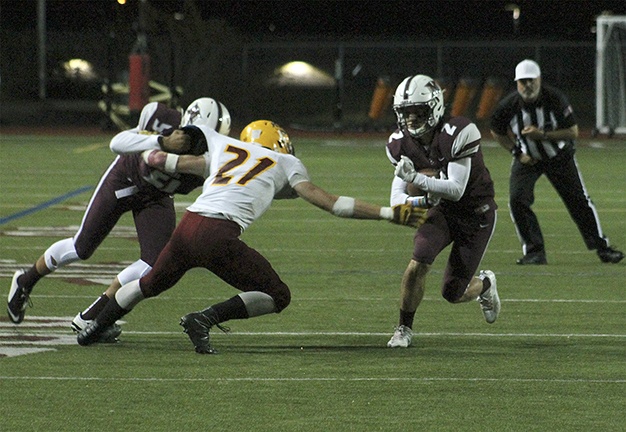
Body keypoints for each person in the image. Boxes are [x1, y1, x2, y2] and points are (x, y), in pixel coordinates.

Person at [76, 120, 427, 353]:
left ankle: (93, 329)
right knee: (278, 295)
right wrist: (387, 213)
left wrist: (159, 146)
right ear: (280, 142)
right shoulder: (286, 163)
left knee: (149, 283)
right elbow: (331, 203)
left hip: (188, 225)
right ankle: (205, 318)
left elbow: (149, 155)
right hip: (218, 235)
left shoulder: (220, 145)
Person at [7, 98, 232, 342]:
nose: (207, 143)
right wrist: (161, 141)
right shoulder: (163, 119)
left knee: (154, 262)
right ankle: (25, 280)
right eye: (204, 136)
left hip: (156, 197)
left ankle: (92, 316)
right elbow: (118, 143)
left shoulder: (217, 154)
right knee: (81, 248)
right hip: (123, 180)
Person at [386, 74, 500, 349]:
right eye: (405, 112)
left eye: (418, 111)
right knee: (419, 260)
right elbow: (397, 198)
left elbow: (456, 189)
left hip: (476, 214)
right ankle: (403, 328)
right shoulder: (400, 143)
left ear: (435, 107)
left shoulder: (459, 132)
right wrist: (421, 202)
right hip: (444, 212)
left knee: (453, 292)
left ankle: (485, 284)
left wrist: (419, 179)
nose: (411, 119)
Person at [490, 59, 623, 265]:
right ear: (516, 83)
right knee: (517, 200)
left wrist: (542, 135)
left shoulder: (554, 98)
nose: (527, 86)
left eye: (531, 81)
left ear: (539, 80)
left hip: (558, 156)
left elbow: (573, 132)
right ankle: (534, 252)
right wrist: (517, 152)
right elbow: (497, 131)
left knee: (579, 201)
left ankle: (603, 248)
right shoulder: (508, 105)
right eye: (522, 81)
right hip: (528, 159)